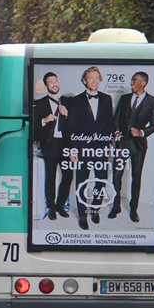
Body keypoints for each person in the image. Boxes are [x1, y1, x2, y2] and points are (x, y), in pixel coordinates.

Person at [64, 66, 115, 230]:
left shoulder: (107, 99)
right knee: (81, 183)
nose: (94, 81)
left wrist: (109, 141)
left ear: (99, 80)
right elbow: (71, 127)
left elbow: (109, 123)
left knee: (101, 181)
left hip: (100, 148)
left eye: (96, 78)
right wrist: (72, 149)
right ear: (84, 81)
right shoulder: (76, 100)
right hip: (81, 149)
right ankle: (82, 216)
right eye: (90, 78)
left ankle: (95, 209)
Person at [110, 71, 154, 223]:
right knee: (116, 175)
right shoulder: (125, 99)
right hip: (122, 143)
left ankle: (133, 209)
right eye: (131, 81)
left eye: (134, 80)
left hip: (139, 146)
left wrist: (142, 132)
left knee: (136, 177)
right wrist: (117, 131)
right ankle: (116, 205)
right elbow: (117, 118)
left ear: (143, 83)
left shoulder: (153, 101)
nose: (131, 83)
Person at [32, 71, 73, 220]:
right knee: (50, 176)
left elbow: (77, 123)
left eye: (56, 81)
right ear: (45, 86)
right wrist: (44, 119)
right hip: (50, 143)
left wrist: (67, 114)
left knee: (68, 175)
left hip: (66, 143)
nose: (54, 84)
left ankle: (60, 204)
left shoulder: (69, 101)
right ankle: (50, 207)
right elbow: (34, 126)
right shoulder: (39, 103)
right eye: (51, 82)